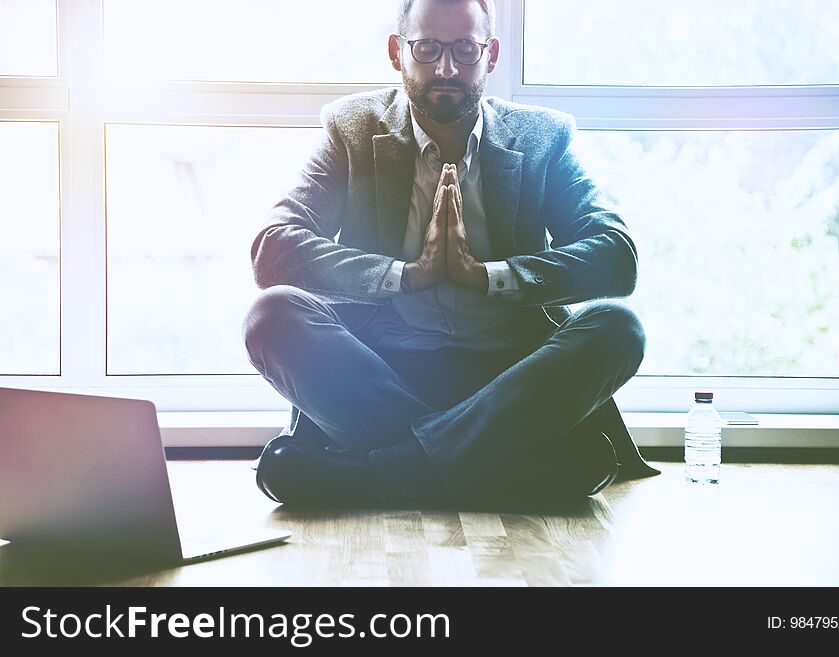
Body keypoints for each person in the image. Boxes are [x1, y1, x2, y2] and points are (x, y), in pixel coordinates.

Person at [243, 0, 659, 509]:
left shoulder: (543, 137)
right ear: (398, 52)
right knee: (271, 316)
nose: (446, 68)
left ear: (492, 54)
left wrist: (490, 277)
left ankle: (374, 475)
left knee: (619, 328)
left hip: (508, 382)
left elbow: (616, 256)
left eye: (465, 49)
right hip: (380, 371)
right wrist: (401, 275)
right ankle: (499, 466)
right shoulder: (350, 130)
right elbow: (273, 248)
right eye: (427, 48)